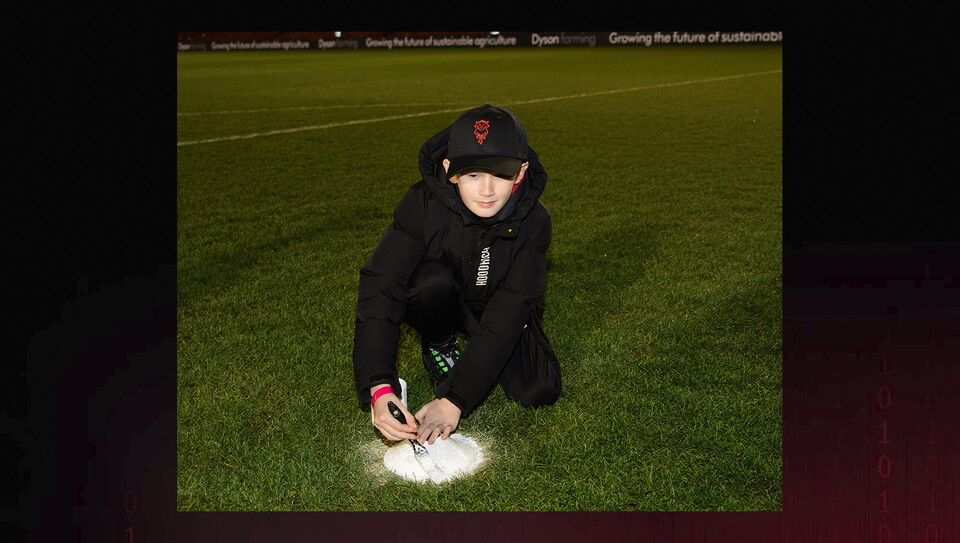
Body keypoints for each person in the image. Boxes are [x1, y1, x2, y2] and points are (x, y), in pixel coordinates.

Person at [353, 104, 561, 447]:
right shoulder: (422, 204)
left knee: (538, 389)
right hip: (444, 294)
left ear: (521, 172)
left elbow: (509, 311)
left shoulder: (535, 221)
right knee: (428, 282)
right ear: (450, 170)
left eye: (501, 174)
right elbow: (382, 286)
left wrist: (454, 399)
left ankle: (481, 350)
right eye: (473, 175)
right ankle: (440, 343)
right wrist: (379, 385)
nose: (486, 190)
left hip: (498, 303)